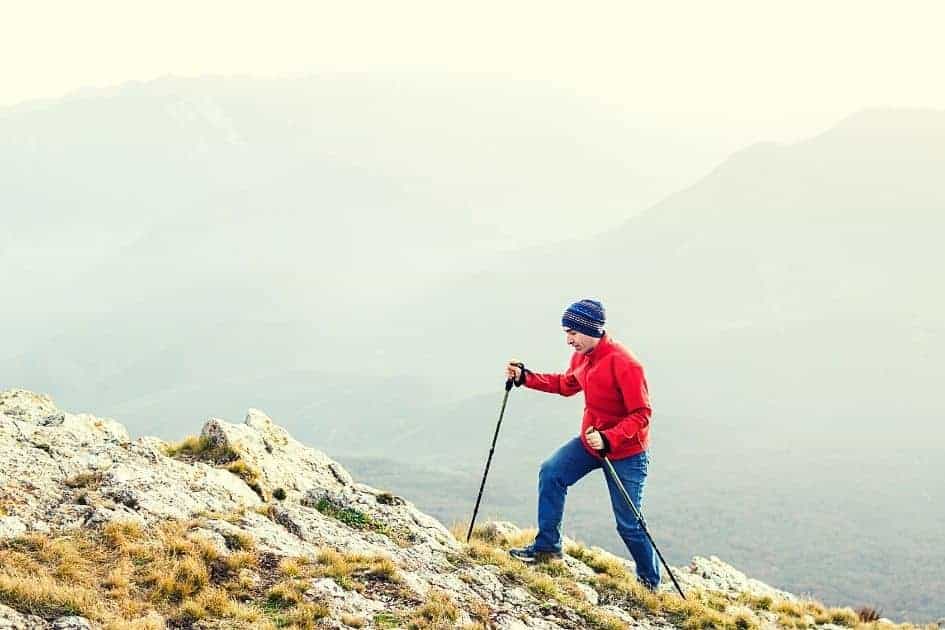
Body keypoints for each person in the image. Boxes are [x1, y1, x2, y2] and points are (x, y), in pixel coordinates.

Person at [504, 298, 660, 591]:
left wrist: (609, 437)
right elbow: (565, 385)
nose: (568, 340)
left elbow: (642, 414)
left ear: (591, 330)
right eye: (567, 332)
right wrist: (526, 378)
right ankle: (547, 548)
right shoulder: (582, 358)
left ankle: (650, 582)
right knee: (551, 473)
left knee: (628, 523)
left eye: (572, 332)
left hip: (626, 453)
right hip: (590, 443)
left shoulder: (625, 363)